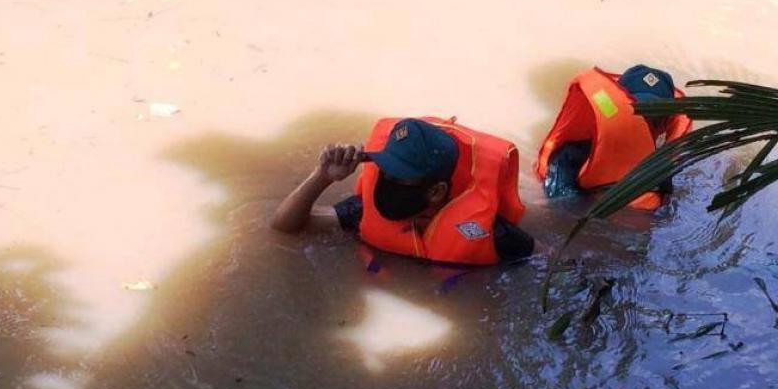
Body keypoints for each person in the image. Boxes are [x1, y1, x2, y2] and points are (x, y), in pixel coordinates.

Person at [270, 117, 534, 265]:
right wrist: (322, 177)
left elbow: (539, 266)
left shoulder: (495, 236)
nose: (385, 181)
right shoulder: (366, 209)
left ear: (436, 191)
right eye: (384, 171)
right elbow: (285, 226)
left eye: (399, 177)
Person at [535, 64, 692, 210]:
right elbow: (559, 208)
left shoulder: (668, 166)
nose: (646, 121)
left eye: (656, 115)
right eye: (640, 113)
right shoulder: (580, 149)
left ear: (666, 123)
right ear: (620, 108)